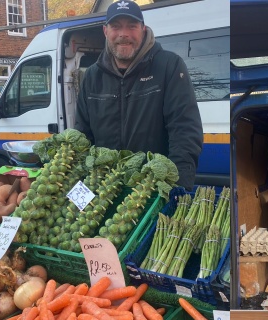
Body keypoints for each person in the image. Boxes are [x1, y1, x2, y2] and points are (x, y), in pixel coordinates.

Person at [74, 0, 202, 189]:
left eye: (131, 26)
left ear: (142, 29)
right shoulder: (92, 76)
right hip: (106, 190)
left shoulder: (169, 66)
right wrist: (80, 193)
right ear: (105, 31)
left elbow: (184, 131)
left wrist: (177, 188)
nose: (123, 34)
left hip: (153, 190)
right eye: (116, 26)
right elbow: (82, 137)